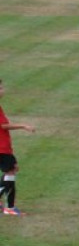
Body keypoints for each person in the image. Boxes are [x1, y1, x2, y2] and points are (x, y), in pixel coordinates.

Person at [0, 79, 35, 217]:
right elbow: (3, 126)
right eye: (0, 87)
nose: (3, 90)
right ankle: (10, 207)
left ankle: (9, 205)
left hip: (3, 147)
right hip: (2, 147)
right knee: (10, 172)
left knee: (12, 169)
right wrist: (23, 126)